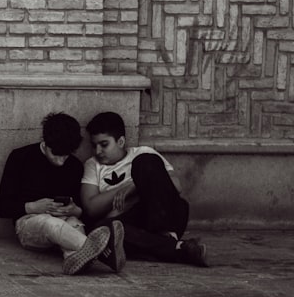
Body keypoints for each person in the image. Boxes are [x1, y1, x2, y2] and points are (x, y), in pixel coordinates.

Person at [0, 112, 126, 275]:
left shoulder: (75, 166)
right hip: (30, 223)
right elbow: (1, 207)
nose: (61, 161)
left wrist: (75, 210)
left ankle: (74, 259)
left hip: (67, 220)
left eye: (66, 155)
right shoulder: (20, 157)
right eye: (56, 155)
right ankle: (107, 255)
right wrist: (33, 207)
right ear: (45, 143)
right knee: (52, 224)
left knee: (74, 224)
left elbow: (83, 211)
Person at [80, 111, 208, 267]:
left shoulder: (143, 153)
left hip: (161, 215)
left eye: (104, 144)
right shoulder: (93, 165)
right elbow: (91, 208)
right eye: (94, 145)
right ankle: (175, 247)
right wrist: (122, 189)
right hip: (127, 224)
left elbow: (176, 186)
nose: (98, 151)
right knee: (102, 230)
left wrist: (134, 186)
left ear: (120, 141)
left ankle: (161, 239)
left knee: (145, 162)